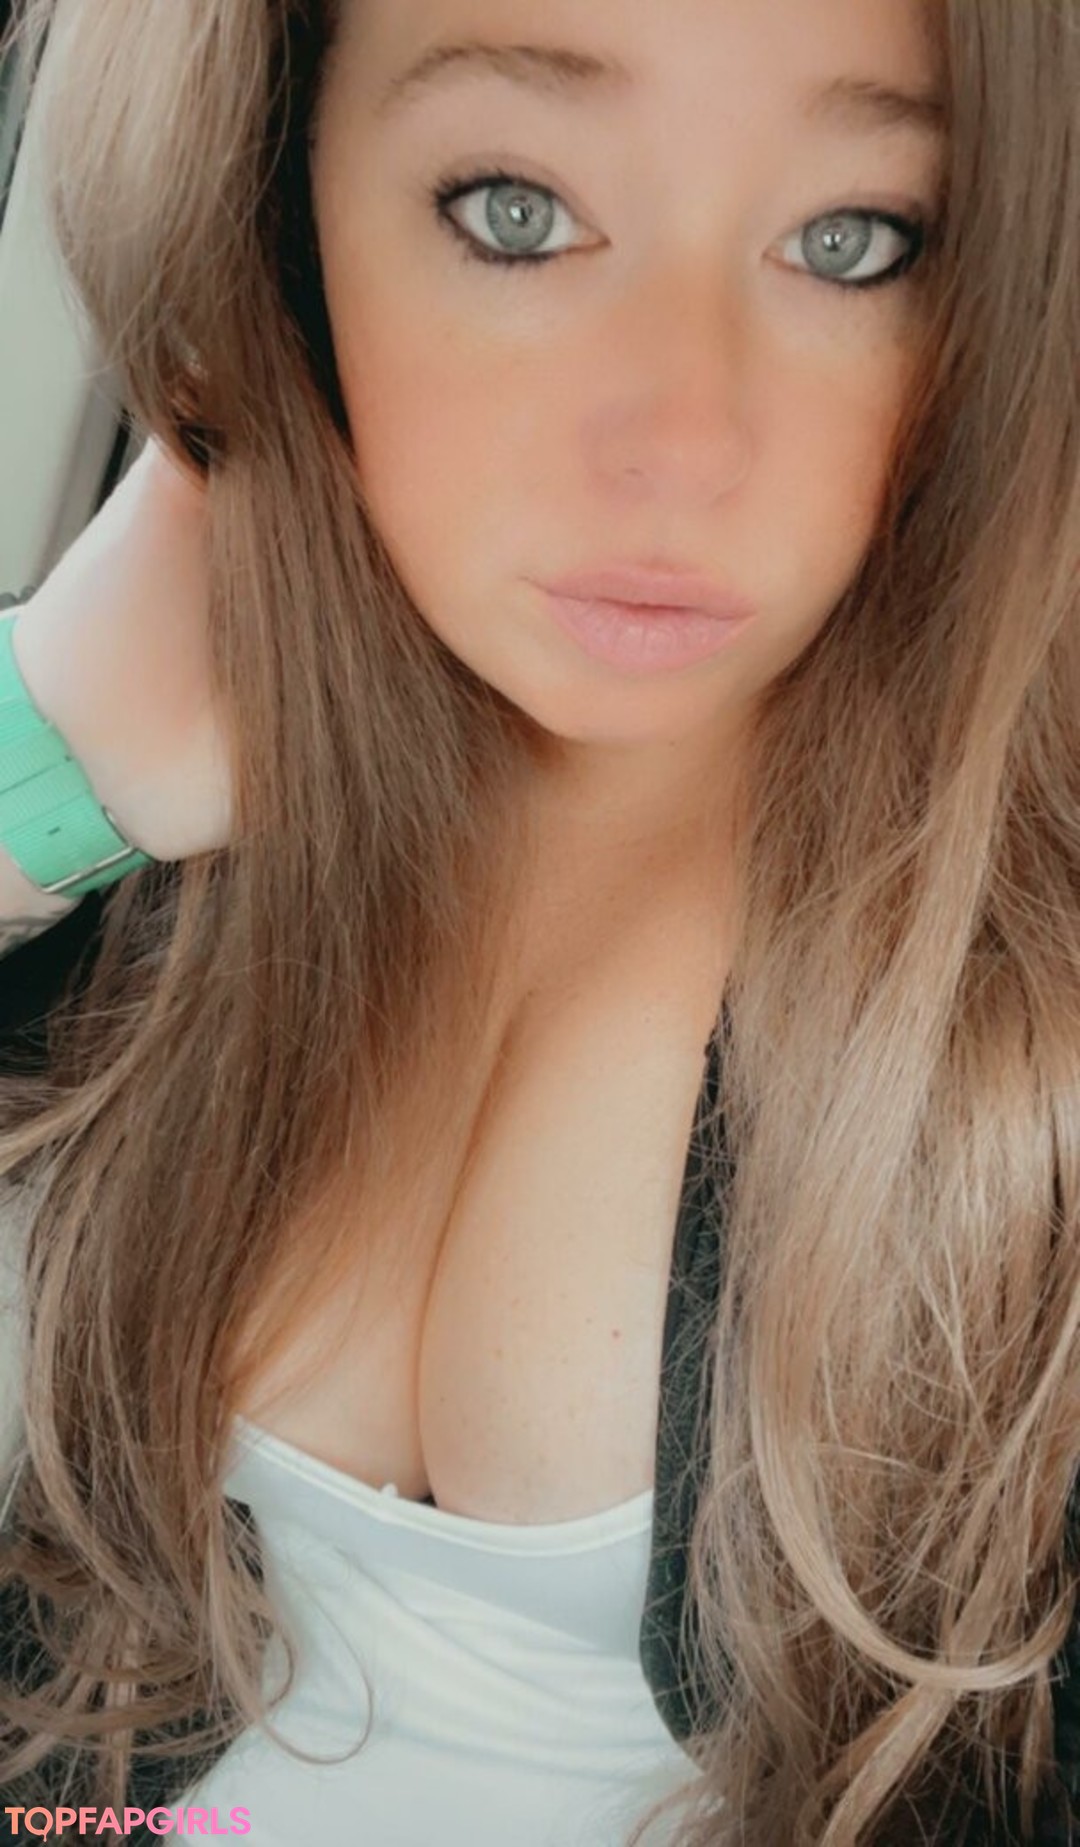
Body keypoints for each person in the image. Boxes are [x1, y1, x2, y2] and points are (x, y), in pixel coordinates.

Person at [0, 0, 1077, 1841]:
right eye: (516, 211)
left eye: (853, 240)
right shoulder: (153, 754)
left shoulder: (1015, 1010)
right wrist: (38, 758)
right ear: (275, 192)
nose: (682, 445)